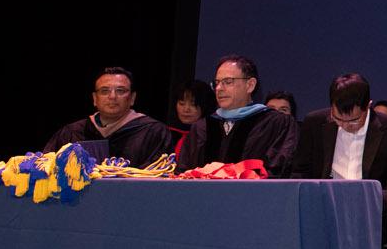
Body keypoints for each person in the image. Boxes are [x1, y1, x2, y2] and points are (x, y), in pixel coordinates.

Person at [291, 73, 387, 209]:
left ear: (368, 106)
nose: (345, 125)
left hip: (373, 210)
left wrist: (369, 201)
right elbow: (300, 172)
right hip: (324, 208)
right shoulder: (314, 123)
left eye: (354, 121)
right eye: (338, 119)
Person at [179, 54, 299, 177]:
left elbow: (278, 171)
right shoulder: (201, 127)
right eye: (217, 83)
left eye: (228, 82)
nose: (219, 88)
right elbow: (184, 172)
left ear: (250, 85)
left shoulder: (276, 124)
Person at [43, 67, 174, 166]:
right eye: (104, 91)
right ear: (95, 98)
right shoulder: (72, 132)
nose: (112, 97)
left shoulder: (153, 132)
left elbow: (160, 179)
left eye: (120, 91)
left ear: (132, 98)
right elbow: (46, 166)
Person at [167, 79, 216, 160]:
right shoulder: (166, 134)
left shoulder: (210, 135)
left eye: (193, 105)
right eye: (181, 103)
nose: (186, 109)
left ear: (205, 106)